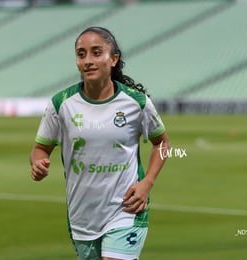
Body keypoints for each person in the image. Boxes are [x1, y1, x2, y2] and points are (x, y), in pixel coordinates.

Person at [30, 26, 170, 260]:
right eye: (81, 54)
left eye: (96, 52)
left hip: (127, 209)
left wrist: (148, 182)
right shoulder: (61, 103)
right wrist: (38, 162)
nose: (88, 60)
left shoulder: (135, 102)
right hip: (82, 215)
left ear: (113, 59)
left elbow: (162, 143)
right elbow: (40, 148)